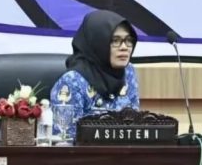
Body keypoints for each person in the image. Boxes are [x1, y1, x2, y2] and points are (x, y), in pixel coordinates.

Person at [50, 10, 141, 139]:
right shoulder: (72, 81)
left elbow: (134, 125)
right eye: (115, 40)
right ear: (98, 42)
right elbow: (64, 138)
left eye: (128, 40)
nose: (124, 47)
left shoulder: (128, 72)